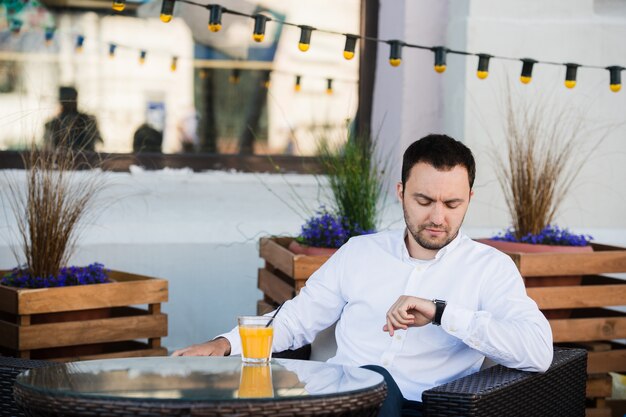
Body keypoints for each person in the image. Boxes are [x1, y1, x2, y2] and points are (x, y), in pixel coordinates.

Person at [172, 134, 553, 417]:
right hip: (333, 401)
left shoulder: (489, 268)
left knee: (374, 380)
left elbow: (538, 351)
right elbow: (296, 320)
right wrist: (224, 344)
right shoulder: (360, 252)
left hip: (418, 408)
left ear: (469, 197)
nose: (438, 217)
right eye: (424, 201)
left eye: (452, 203)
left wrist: (441, 313)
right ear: (401, 193)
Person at [44, 86, 103, 151]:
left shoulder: (88, 121)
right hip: (61, 160)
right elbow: (48, 148)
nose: (70, 102)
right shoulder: (52, 124)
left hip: (87, 159)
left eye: (72, 98)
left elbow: (99, 142)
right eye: (67, 99)